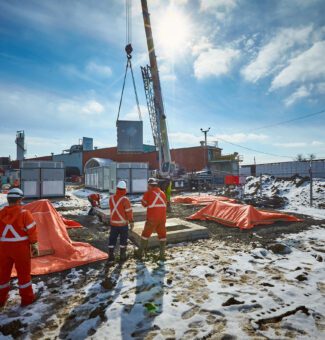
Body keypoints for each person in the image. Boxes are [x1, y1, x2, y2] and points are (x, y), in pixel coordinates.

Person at [0, 188, 39, 307]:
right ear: (20, 200)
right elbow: (32, 231)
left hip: (3, 248)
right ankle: (27, 299)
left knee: (2, 274)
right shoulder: (24, 214)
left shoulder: (1, 213)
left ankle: (1, 299)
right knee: (23, 274)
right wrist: (34, 244)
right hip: (20, 248)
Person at [139, 178, 167, 260]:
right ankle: (162, 254)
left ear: (149, 185)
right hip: (162, 218)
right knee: (162, 236)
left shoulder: (148, 193)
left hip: (152, 218)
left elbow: (144, 204)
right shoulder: (163, 193)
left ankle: (140, 252)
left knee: (145, 235)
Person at [108, 181, 134, 262]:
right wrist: (131, 222)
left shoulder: (111, 198)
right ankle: (122, 256)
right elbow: (129, 212)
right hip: (123, 225)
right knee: (123, 240)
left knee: (112, 240)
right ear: (125, 189)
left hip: (113, 224)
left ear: (117, 188)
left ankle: (111, 257)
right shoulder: (125, 200)